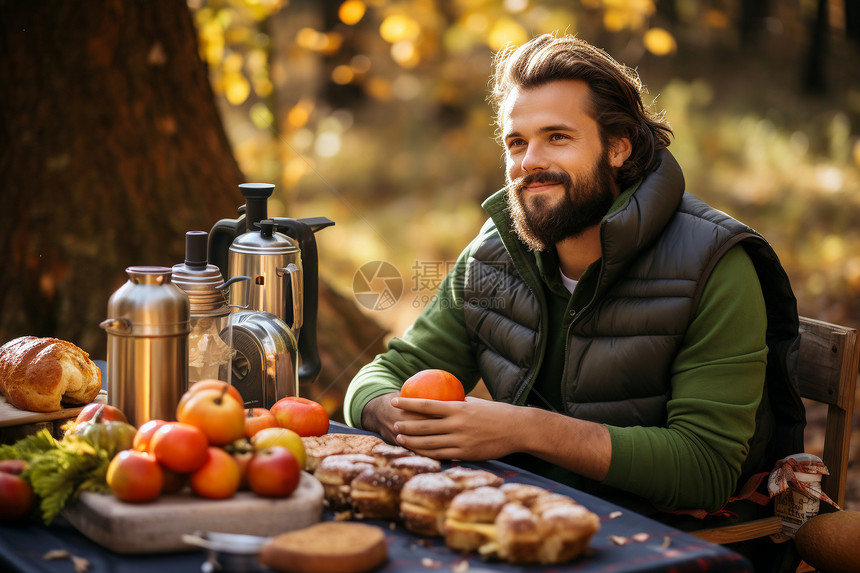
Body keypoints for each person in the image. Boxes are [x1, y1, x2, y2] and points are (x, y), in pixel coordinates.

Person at [344, 33, 804, 568]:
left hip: (667, 542)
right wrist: (391, 415)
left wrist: (520, 428)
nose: (529, 162)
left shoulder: (715, 264)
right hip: (524, 518)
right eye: (516, 142)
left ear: (619, 146)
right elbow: (380, 377)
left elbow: (704, 469)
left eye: (557, 137)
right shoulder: (495, 253)